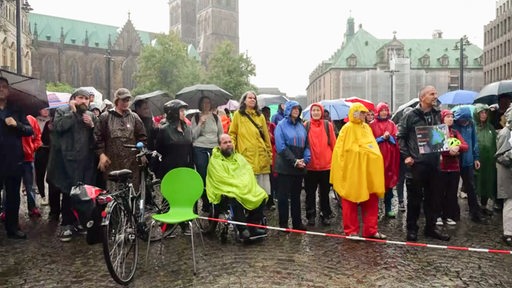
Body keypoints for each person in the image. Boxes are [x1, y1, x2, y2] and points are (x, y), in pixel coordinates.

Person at [398, 85, 450, 241]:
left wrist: (442, 147)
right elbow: (401, 136)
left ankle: (431, 228)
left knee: (433, 198)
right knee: (414, 199)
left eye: (436, 93)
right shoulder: (410, 115)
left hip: (433, 164)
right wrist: (406, 156)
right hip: (416, 164)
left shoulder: (437, 114)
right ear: (422, 97)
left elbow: (438, 137)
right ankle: (412, 229)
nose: (435, 96)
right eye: (432, 94)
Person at [46, 88, 98, 242]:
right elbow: (59, 127)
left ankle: (80, 222)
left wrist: (92, 126)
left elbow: (97, 139)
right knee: (68, 192)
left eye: (86, 99)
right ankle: (67, 224)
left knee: (83, 193)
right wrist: (72, 113)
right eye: (80, 98)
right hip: (66, 160)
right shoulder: (63, 111)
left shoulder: (91, 115)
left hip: (85, 161)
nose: (83, 101)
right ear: (73, 99)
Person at [330, 103, 386, 239]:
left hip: (368, 171)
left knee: (372, 199)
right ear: (354, 113)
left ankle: (371, 230)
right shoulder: (347, 129)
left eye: (364, 113)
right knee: (350, 199)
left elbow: (372, 146)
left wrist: (370, 155)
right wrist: (363, 152)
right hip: (352, 172)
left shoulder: (366, 128)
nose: (362, 115)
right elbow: (342, 152)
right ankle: (351, 231)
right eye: (360, 112)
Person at [206, 134, 268, 239]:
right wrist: (238, 186)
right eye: (225, 143)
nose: (228, 145)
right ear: (219, 146)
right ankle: (242, 229)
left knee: (261, 195)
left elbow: (248, 173)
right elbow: (220, 179)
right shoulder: (215, 160)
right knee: (235, 196)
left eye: (230, 142)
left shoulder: (238, 157)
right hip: (224, 191)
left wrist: (246, 186)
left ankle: (252, 225)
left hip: (242, 187)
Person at [0, 76, 33, 239]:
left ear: (8, 90)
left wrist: (17, 124)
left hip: (13, 158)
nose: (1, 89)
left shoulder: (16, 109)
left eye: (4, 86)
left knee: (13, 195)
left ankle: (12, 227)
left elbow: (29, 130)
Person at [154, 99, 194, 235]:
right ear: (174, 113)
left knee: (184, 196)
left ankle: (184, 223)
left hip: (185, 166)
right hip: (169, 167)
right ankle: (167, 225)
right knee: (169, 197)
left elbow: (190, 147)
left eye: (184, 110)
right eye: (181, 110)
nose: (184, 113)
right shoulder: (164, 130)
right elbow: (159, 148)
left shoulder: (188, 129)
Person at [95, 88, 147, 191]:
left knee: (131, 195)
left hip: (132, 163)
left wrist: (142, 152)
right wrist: (101, 154)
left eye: (128, 100)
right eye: (123, 100)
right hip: (112, 163)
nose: (126, 103)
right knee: (113, 196)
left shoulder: (134, 117)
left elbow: (142, 137)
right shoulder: (105, 117)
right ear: (117, 100)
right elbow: (97, 137)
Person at [229, 91, 272, 200]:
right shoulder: (238, 115)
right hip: (245, 156)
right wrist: (232, 151)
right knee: (247, 188)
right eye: (250, 98)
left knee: (261, 190)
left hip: (261, 156)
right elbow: (232, 134)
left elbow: (266, 136)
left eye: (254, 98)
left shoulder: (260, 116)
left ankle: (259, 214)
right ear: (244, 100)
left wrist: (269, 154)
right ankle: (249, 213)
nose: (252, 99)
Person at [274, 100, 310, 231]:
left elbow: (306, 144)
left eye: (298, 108)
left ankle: (297, 223)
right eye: (293, 108)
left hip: (299, 165)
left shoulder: (301, 125)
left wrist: (305, 159)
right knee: (283, 197)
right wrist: (294, 161)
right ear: (288, 110)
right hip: (285, 165)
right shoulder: (281, 125)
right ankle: (283, 224)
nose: (296, 110)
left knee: (296, 196)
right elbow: (281, 147)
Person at [303, 103, 336, 226]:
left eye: (318, 110)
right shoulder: (306, 125)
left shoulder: (328, 126)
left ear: (321, 112)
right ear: (311, 113)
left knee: (324, 193)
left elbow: (334, 144)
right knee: (310, 193)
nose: (316, 112)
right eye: (314, 110)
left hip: (326, 166)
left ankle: (325, 214)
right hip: (310, 166)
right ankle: (311, 215)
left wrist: (335, 163)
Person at [191, 96, 223, 213]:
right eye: (204, 103)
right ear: (200, 104)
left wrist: (221, 146)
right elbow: (193, 135)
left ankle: (213, 201)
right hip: (200, 148)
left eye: (208, 102)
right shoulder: (195, 117)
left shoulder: (216, 117)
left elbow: (220, 134)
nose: (206, 105)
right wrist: (200, 123)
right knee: (203, 174)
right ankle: (205, 200)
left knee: (213, 175)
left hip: (214, 148)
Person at [452, 106, 484, 223]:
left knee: (470, 186)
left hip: (468, 160)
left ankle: (475, 212)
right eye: (461, 120)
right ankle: (454, 213)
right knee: (453, 187)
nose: (463, 122)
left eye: (465, 119)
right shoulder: (454, 126)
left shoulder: (471, 124)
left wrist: (476, 158)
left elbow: (474, 141)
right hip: (455, 160)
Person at [436, 110, 468, 226]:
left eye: (452, 117)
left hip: (454, 168)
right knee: (439, 192)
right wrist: (448, 151)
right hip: (441, 168)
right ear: (442, 119)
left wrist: (457, 147)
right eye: (448, 117)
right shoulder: (437, 132)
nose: (450, 119)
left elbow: (465, 145)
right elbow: (434, 147)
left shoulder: (455, 132)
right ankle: (438, 215)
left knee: (451, 193)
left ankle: (448, 215)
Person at [370, 102, 400, 218]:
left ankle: (388, 208)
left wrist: (390, 138)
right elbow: (370, 142)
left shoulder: (392, 124)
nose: (384, 112)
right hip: (377, 158)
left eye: (385, 110)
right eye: (382, 110)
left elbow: (396, 139)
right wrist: (381, 138)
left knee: (389, 185)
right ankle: (374, 210)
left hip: (390, 158)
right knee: (375, 185)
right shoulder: (372, 125)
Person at [473, 104, 497, 215]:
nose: (484, 115)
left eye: (485, 113)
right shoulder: (473, 128)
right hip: (477, 161)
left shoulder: (490, 128)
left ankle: (484, 204)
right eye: (481, 113)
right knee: (477, 183)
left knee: (488, 182)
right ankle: (475, 206)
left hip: (490, 162)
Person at [495, 105, 512, 245]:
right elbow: (501, 155)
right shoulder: (505, 133)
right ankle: (508, 233)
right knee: (509, 201)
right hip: (507, 172)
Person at [21, 114, 42, 217]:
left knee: (30, 185)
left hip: (28, 157)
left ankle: (32, 207)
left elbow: (38, 136)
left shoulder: (31, 119)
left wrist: (32, 148)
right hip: (11, 157)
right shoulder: (8, 116)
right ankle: (6, 210)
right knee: (9, 186)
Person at [395, 106, 414, 212]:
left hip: (414, 157)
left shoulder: (417, 127)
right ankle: (401, 200)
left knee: (413, 180)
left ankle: (412, 200)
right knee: (400, 180)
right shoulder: (399, 127)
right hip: (401, 157)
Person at [261, 106, 277, 209]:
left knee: (271, 178)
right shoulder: (259, 126)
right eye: (265, 113)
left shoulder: (272, 126)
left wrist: (271, 136)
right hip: (262, 155)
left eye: (268, 113)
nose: (267, 115)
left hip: (271, 155)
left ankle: (270, 200)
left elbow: (276, 140)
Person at [34, 108, 51, 201]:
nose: (45, 111)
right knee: (40, 173)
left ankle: (50, 196)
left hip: (51, 149)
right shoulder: (35, 120)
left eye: (47, 109)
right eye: (43, 109)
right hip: (40, 148)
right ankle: (42, 195)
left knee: (51, 174)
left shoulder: (53, 120)